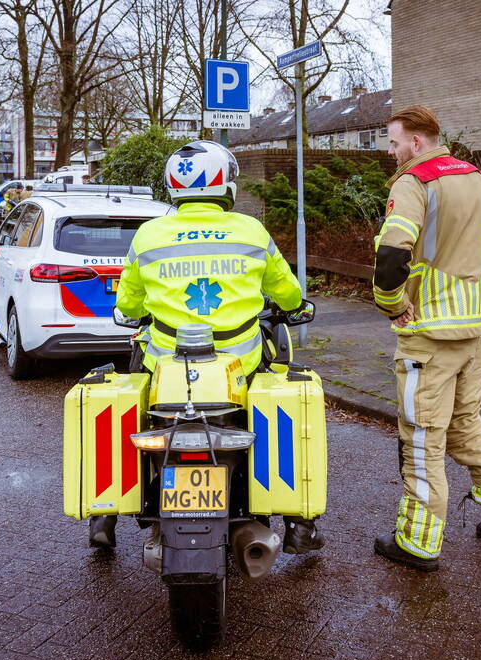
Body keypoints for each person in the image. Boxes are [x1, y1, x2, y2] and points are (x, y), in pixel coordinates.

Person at [104, 140, 325, 555]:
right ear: (228, 186)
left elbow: (130, 303)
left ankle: (106, 513)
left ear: (173, 187)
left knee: (131, 396)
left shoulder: (149, 234)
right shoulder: (251, 230)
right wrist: (296, 306)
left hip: (167, 360)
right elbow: (286, 289)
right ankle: (299, 521)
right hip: (240, 357)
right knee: (281, 403)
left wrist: (133, 311)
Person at [372, 105, 481, 572]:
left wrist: (392, 305)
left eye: (395, 141)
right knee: (465, 424)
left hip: (428, 337)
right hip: (470, 331)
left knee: (422, 436)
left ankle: (417, 543)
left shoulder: (413, 182)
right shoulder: (477, 179)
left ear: (417, 142)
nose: (390, 149)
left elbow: (392, 253)